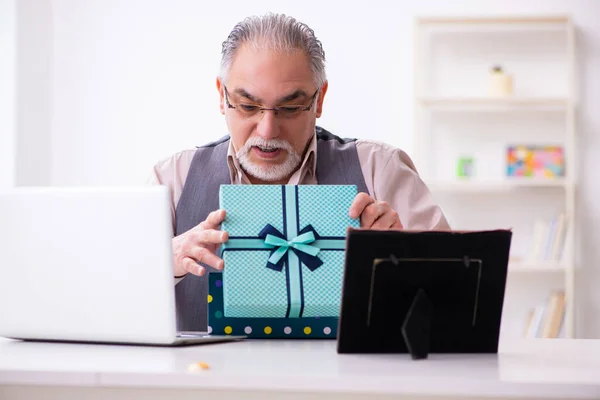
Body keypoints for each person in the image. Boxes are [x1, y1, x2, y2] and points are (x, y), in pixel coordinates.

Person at [149, 13, 450, 331]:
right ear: (221, 96)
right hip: (202, 380)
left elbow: (456, 300)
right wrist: (162, 262)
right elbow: (106, 300)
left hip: (348, 381)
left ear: (319, 99)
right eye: (248, 106)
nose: (267, 130)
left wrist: (403, 261)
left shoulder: (381, 171)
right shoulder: (171, 181)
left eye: (290, 108)